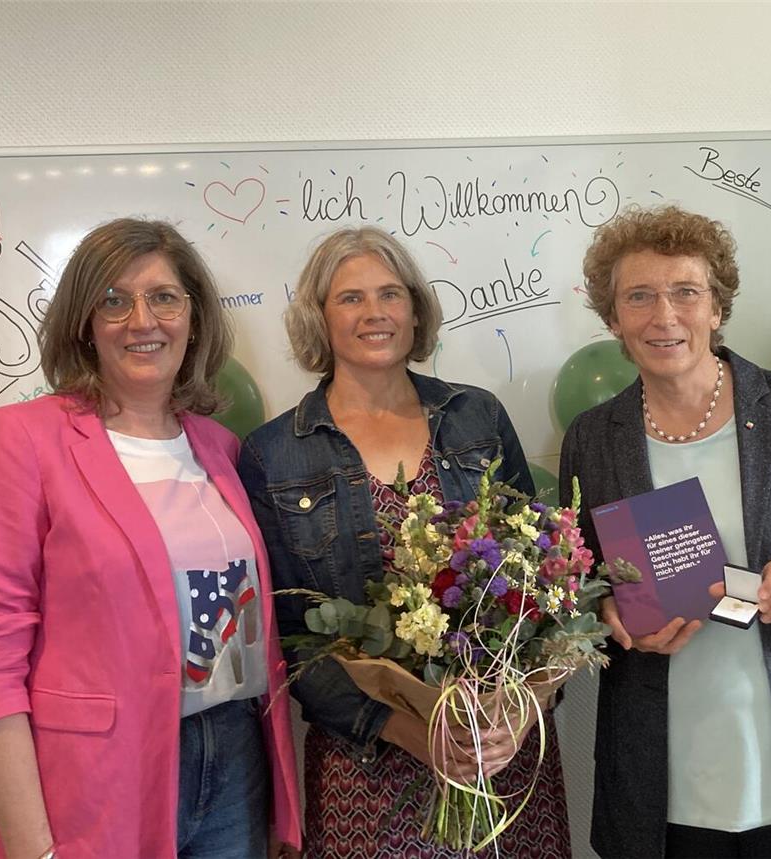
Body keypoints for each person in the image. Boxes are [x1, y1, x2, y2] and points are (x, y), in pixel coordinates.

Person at [0, 218, 301, 859]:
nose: (143, 319)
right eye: (114, 299)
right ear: (85, 321)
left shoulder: (219, 449)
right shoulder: (21, 440)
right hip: (96, 777)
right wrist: (32, 846)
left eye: (164, 296)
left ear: (192, 316)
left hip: (234, 761)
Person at [559, 205, 771, 859]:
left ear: (716, 308)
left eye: (685, 291)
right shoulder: (593, 438)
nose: (664, 316)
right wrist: (604, 610)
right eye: (639, 296)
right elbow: (572, 587)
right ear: (613, 319)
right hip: (664, 779)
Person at [237, 225, 572, 859]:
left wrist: (519, 713)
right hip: (367, 764)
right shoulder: (275, 454)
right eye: (351, 298)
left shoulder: (477, 417)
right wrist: (406, 731)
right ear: (319, 318)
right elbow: (284, 638)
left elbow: (546, 583)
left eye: (391, 294)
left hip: (500, 751)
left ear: (416, 310)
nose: (375, 313)